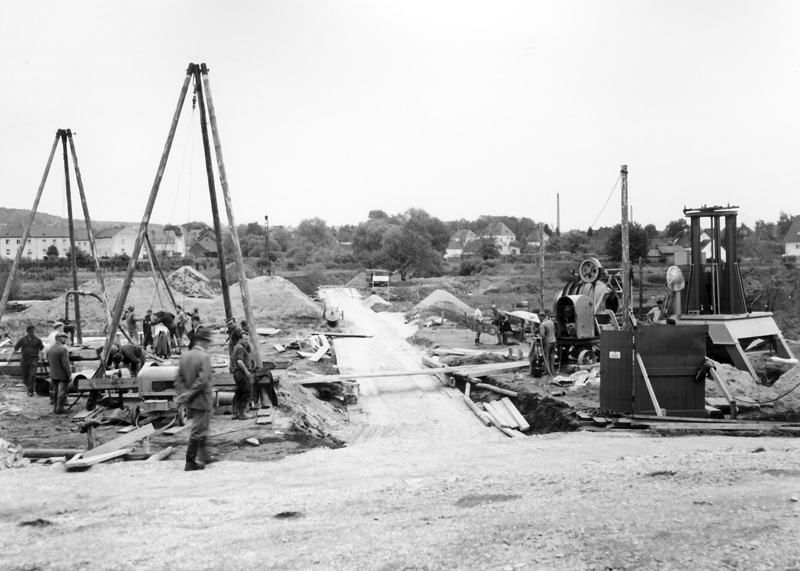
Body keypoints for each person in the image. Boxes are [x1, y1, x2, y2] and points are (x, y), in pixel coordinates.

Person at [175, 327, 216, 471]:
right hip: (202, 399)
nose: (208, 345)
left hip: (190, 401)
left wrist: (184, 394)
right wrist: (190, 393)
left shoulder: (185, 356)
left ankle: (205, 456)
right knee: (199, 430)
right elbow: (203, 379)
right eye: (207, 342)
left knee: (201, 427)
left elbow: (178, 378)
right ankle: (190, 461)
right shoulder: (204, 357)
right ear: (202, 341)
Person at [13, 325, 44, 397]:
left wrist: (42, 357)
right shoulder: (23, 339)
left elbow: (42, 349)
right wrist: (9, 357)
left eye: (33, 332)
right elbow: (15, 348)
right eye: (30, 332)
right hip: (25, 359)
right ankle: (28, 387)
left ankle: (30, 391)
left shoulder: (37, 340)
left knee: (32, 375)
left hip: (34, 359)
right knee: (25, 375)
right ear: (27, 332)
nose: (32, 333)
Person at [230, 332, 254, 420]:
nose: (247, 342)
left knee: (238, 393)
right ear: (240, 339)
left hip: (237, 373)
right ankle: (242, 413)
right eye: (245, 340)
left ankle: (235, 413)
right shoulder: (241, 348)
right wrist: (246, 371)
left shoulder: (236, 347)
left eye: (248, 340)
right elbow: (240, 361)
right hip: (242, 373)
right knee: (246, 392)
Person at [48, 331, 72, 414]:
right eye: (64, 338)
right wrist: (69, 375)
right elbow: (65, 364)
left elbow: (49, 362)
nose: (66, 340)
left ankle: (55, 408)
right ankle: (60, 409)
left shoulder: (51, 348)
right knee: (61, 392)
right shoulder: (63, 349)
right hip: (62, 375)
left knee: (55, 391)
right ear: (59, 338)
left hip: (53, 374)